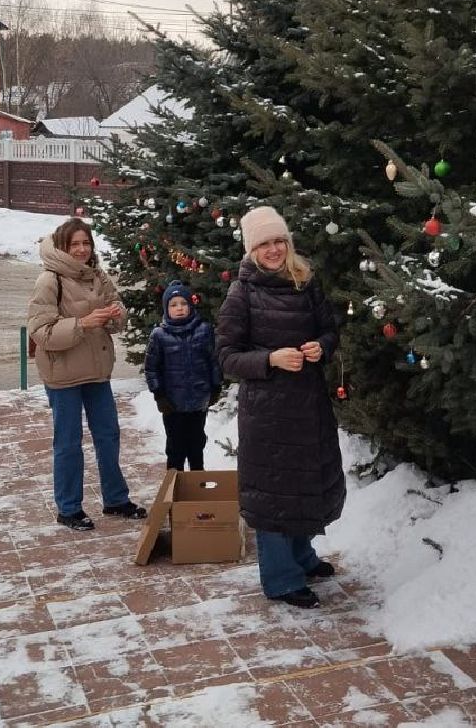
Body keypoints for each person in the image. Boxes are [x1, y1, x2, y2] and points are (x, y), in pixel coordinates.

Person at [216, 206, 344, 608]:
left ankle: (302, 557)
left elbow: (330, 330)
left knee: (306, 484)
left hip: (309, 404)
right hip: (267, 411)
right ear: (251, 250)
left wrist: (320, 347)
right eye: (264, 244)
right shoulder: (243, 293)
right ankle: (281, 578)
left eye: (278, 241)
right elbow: (225, 356)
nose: (273, 250)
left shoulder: (305, 281)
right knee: (273, 493)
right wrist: (270, 360)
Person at [27, 217, 147, 531]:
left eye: (86, 243)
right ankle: (69, 508)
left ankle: (116, 500)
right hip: (63, 375)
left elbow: (115, 312)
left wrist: (117, 315)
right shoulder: (49, 280)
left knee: (108, 436)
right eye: (75, 244)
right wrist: (84, 323)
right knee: (68, 442)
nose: (82, 249)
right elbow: (40, 332)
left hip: (96, 371)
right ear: (63, 246)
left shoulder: (96, 275)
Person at [144, 280, 222, 471]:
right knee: (175, 448)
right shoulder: (159, 335)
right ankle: (174, 490)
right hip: (172, 405)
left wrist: (215, 386)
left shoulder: (204, 330)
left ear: (190, 305)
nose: (179, 308)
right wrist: (159, 394)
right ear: (166, 308)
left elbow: (214, 360)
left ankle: (198, 487)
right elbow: (152, 368)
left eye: (183, 303)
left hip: (198, 401)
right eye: (173, 304)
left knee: (197, 445)